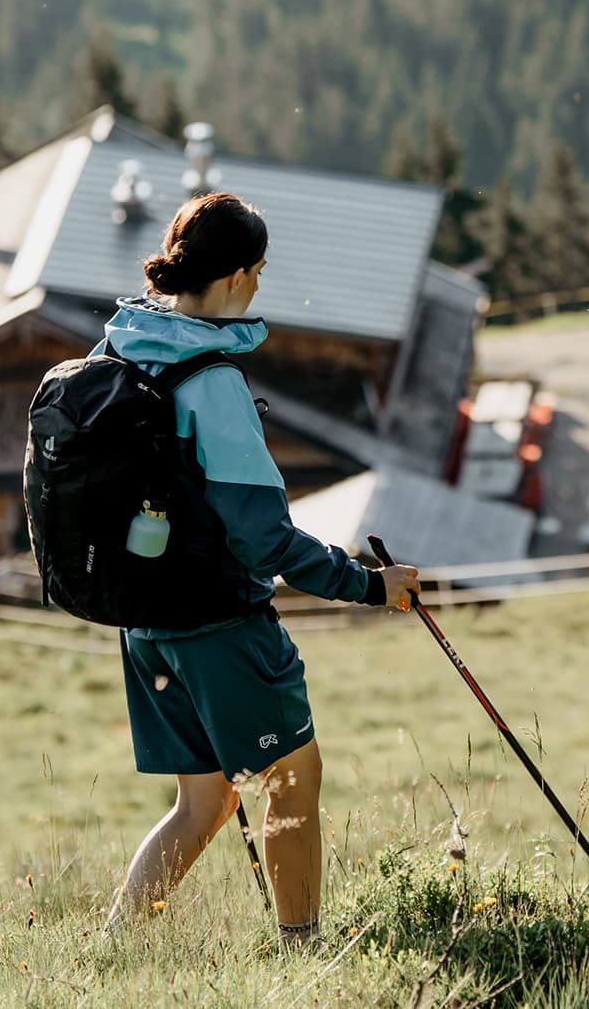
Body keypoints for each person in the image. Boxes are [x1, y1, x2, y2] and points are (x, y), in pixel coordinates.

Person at [94, 192, 421, 949]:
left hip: (146, 622)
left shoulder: (123, 347)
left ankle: (110, 950)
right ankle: (303, 951)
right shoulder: (212, 381)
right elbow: (266, 538)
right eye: (260, 272)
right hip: (219, 626)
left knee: (201, 802)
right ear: (239, 276)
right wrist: (371, 584)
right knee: (292, 781)